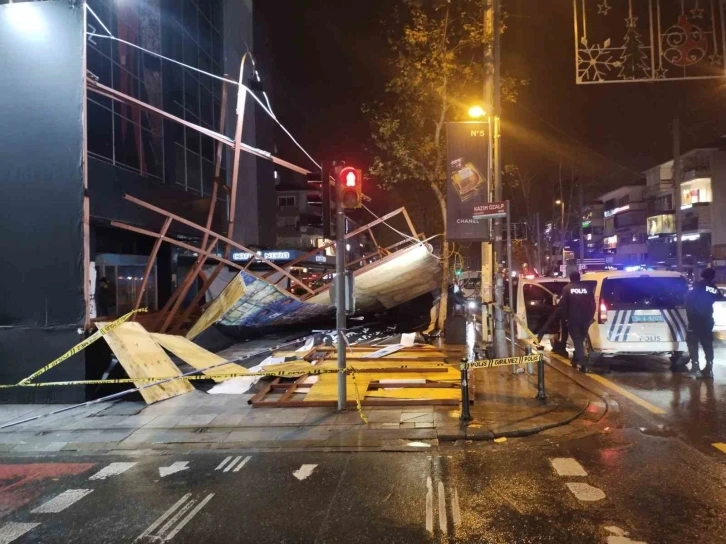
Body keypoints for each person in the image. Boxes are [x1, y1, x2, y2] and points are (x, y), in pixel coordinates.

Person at [684, 268, 723, 379]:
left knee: (692, 343)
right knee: (707, 344)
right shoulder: (713, 288)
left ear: (702, 275)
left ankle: (695, 368)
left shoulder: (697, 286)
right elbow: (719, 297)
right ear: (713, 277)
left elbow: (686, 298)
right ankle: (709, 369)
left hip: (695, 319)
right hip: (707, 319)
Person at [558, 271, 596, 372]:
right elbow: (593, 304)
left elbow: (564, 305)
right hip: (586, 319)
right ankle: (575, 360)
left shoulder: (567, 288)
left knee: (578, 341)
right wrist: (590, 316)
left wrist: (564, 318)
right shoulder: (587, 288)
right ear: (579, 278)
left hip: (573, 319)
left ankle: (583, 364)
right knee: (580, 340)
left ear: (570, 278)